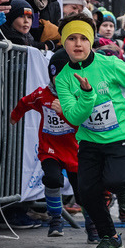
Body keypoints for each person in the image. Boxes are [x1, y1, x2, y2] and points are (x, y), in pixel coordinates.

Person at [52, 15, 125, 248]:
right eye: (72, 39)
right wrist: (88, 94)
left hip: (121, 132)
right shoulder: (63, 79)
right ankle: (110, 238)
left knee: (116, 179)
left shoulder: (110, 65)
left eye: (83, 38)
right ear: (64, 43)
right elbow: (75, 116)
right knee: (86, 191)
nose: (78, 44)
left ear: (91, 41)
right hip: (90, 138)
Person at [9, 50, 82, 237]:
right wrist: (15, 116)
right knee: (52, 179)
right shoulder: (42, 95)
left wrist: (63, 112)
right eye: (58, 75)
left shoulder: (79, 96)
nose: (62, 80)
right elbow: (25, 102)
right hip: (50, 149)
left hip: (74, 150)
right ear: (51, 74)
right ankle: (56, 220)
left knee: (82, 191)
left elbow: (84, 118)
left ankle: (93, 226)